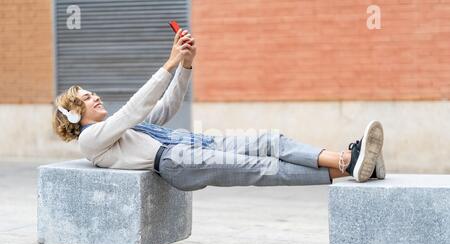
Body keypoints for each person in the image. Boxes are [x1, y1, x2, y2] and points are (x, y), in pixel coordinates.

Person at [52, 28, 385, 191]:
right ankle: (349, 164)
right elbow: (133, 111)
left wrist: (186, 65)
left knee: (272, 140)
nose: (95, 97)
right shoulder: (92, 140)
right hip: (176, 161)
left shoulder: (122, 131)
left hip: (193, 143)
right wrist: (168, 62)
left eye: (91, 92)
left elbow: (167, 106)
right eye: (84, 98)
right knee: (262, 167)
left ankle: (352, 163)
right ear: (74, 115)